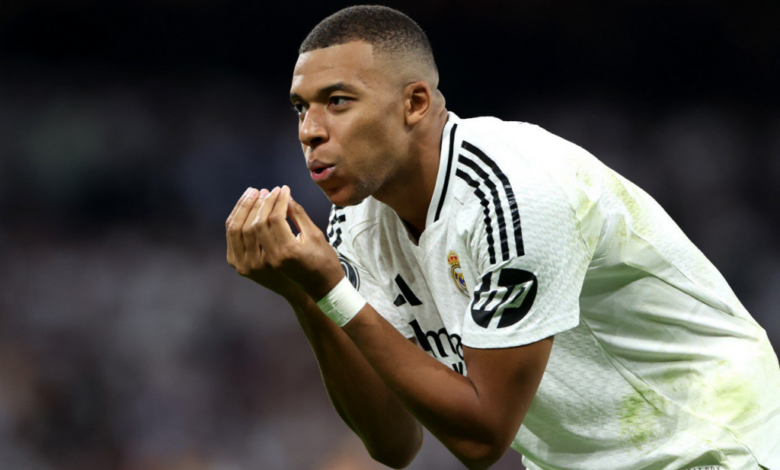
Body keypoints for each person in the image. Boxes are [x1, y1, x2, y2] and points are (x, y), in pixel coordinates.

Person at [225, 5, 780, 470]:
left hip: (709, 440)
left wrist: (331, 286)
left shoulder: (514, 195)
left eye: (337, 101)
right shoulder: (357, 221)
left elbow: (482, 438)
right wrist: (311, 297)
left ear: (415, 103)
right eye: (301, 107)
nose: (309, 130)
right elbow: (394, 443)